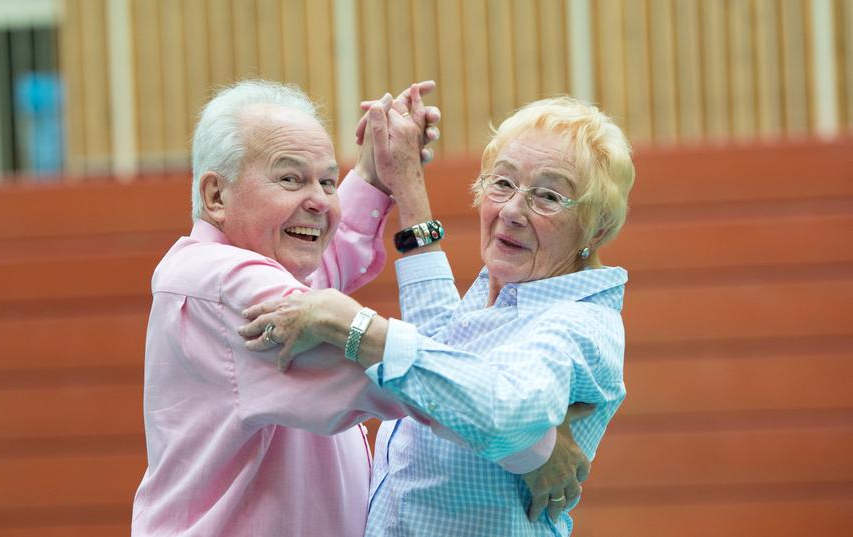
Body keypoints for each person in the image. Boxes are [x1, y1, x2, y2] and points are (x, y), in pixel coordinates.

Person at [131, 80, 587, 536]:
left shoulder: (241, 274)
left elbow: (319, 281)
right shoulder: (230, 286)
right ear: (215, 196)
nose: (318, 201)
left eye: (327, 181)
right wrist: (535, 445)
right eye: (290, 178)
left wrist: (375, 170)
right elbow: (421, 383)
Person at [240, 95, 636, 536]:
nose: (511, 211)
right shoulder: (512, 290)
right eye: (501, 183)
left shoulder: (578, 323)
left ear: (597, 227)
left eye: (547, 195)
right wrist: (407, 183)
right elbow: (441, 352)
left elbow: (504, 411)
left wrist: (352, 326)